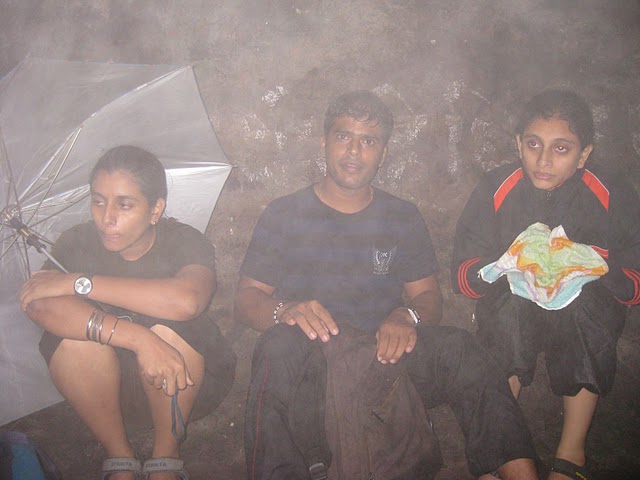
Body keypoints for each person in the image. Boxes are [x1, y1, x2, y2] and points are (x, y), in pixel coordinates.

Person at [235, 90, 539, 480]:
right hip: (314, 359)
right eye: (344, 136)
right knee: (276, 346)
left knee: (460, 348)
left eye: (368, 141)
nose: (354, 151)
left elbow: (427, 297)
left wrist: (405, 315)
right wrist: (284, 309)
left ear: (383, 153)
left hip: (387, 354)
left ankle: (520, 472)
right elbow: (246, 301)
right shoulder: (284, 213)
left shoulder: (401, 216)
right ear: (324, 142)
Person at [451, 90, 640, 480]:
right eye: (534, 144)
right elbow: (464, 271)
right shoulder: (496, 187)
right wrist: (509, 265)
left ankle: (571, 451)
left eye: (562, 148)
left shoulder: (611, 192)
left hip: (582, 308)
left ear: (583, 155)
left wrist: (587, 268)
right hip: (514, 306)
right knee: (509, 305)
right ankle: (501, 446)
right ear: (518, 143)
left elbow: (635, 275)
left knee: (585, 303)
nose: (544, 159)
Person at [19, 146, 236, 480]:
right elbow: (39, 302)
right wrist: (137, 338)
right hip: (107, 389)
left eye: (124, 205)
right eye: (98, 201)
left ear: (155, 209)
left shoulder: (183, 240)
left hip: (187, 380)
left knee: (169, 330)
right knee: (73, 341)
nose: (106, 218)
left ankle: (166, 456)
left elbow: (187, 301)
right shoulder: (76, 242)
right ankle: (119, 456)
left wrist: (80, 282)